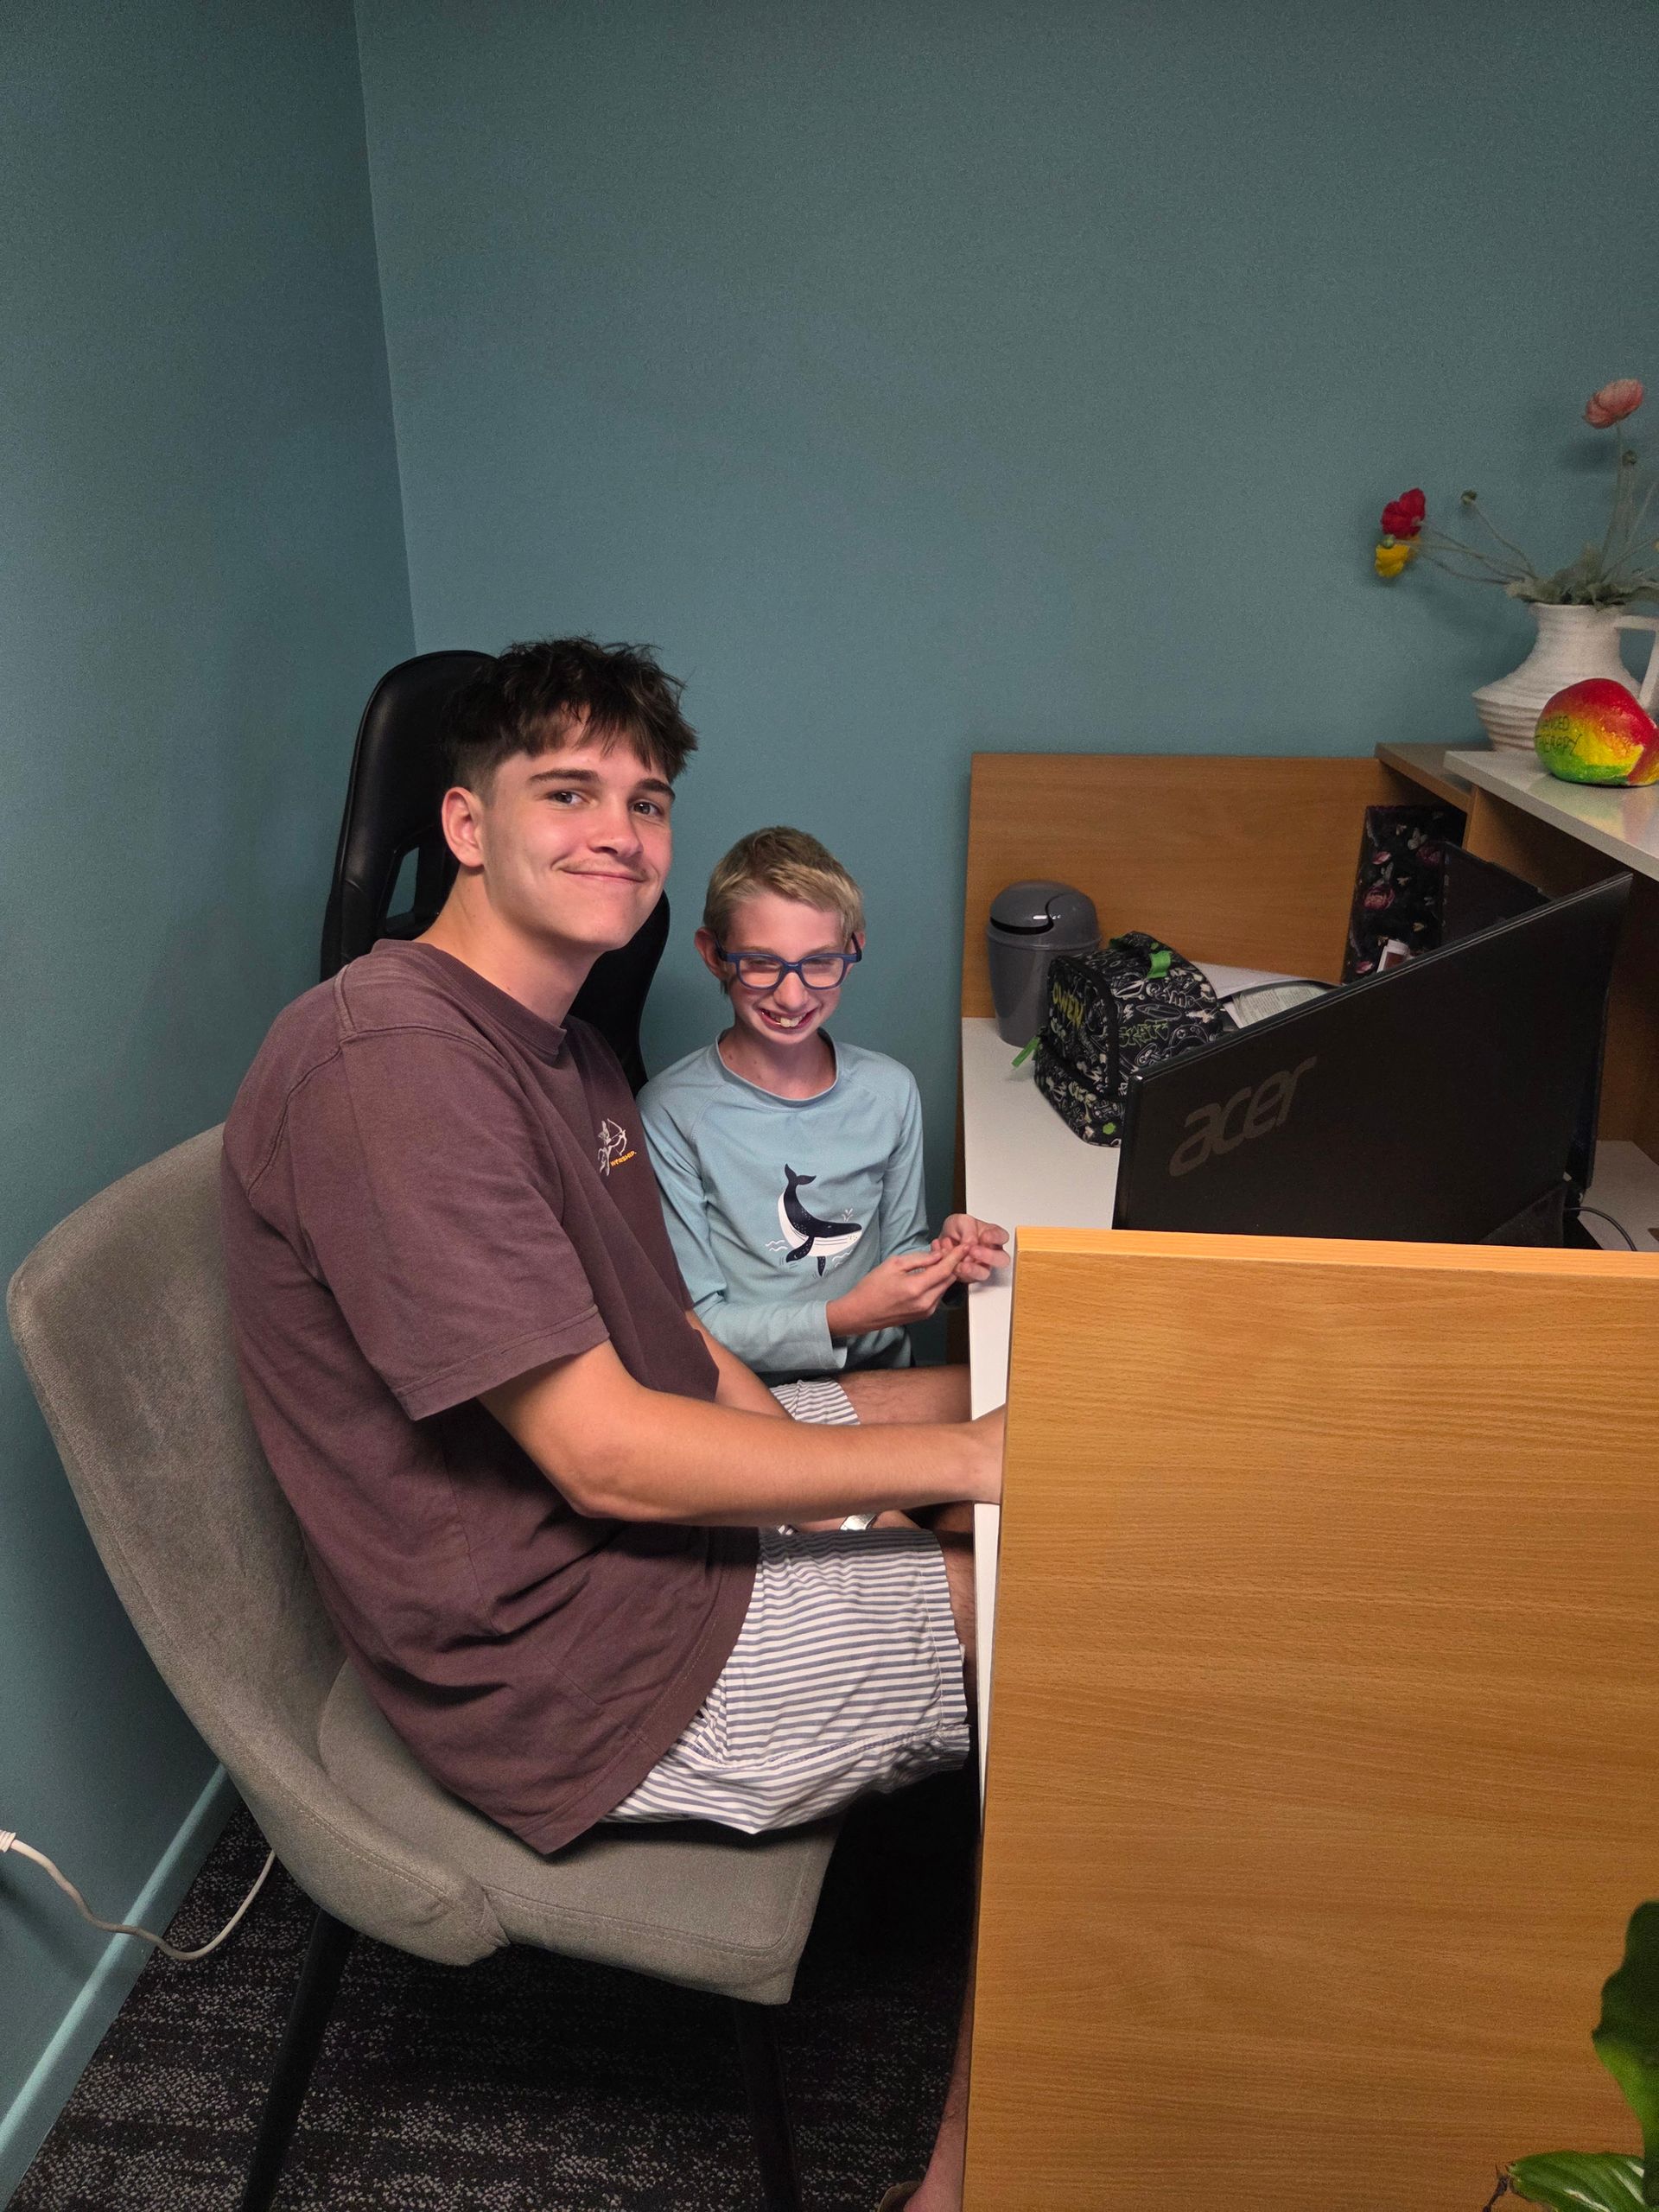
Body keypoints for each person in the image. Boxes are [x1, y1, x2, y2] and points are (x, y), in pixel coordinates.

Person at [219, 637, 1001, 2212]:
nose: (619, 835)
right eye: (566, 791)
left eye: (645, 802)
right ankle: (985, 2171)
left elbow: (691, 1354)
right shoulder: (393, 1064)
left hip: (645, 1543)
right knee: (1084, 1615)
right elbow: (603, 1453)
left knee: (1025, 1402)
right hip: (583, 1668)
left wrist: (915, 1455)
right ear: (461, 825)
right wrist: (966, 1471)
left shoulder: (563, 1046)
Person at [639, 827, 1007, 1428]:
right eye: (760, 963)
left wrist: (947, 1264)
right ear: (713, 955)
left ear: (853, 950)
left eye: (819, 963)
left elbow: (901, 1249)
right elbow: (700, 1323)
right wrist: (843, 1318)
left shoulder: (889, 1091)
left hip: (884, 1382)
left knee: (1023, 1460)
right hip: (754, 1401)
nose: (791, 993)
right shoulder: (672, 1113)